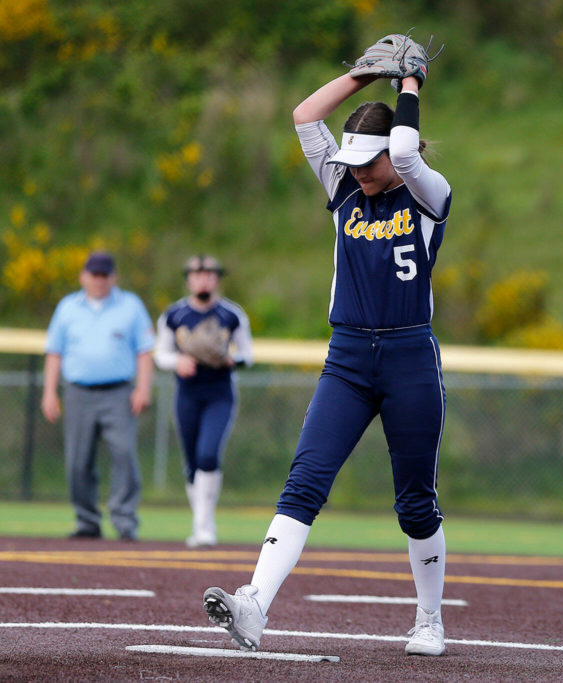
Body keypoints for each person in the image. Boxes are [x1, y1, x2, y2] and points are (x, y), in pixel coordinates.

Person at [202, 34, 452, 657]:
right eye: (354, 163)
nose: (361, 173)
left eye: (370, 163)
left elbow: (402, 149)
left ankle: (429, 619)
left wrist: (411, 84)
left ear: (399, 155)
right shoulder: (343, 188)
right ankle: (254, 606)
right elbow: (304, 116)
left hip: (408, 357)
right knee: (304, 481)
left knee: (414, 500)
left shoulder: (427, 194)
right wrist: (369, 74)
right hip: (347, 359)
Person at [40, 250, 155, 541]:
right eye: (95, 274)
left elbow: (144, 350)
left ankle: (125, 521)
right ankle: (87, 520)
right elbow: (55, 352)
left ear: (113, 277)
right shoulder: (68, 307)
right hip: (78, 392)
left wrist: (143, 388)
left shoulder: (130, 306)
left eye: (105, 275)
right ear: (83, 276)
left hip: (118, 393)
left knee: (124, 455)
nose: (99, 280)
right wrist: (50, 392)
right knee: (78, 461)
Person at [154, 255, 253, 548]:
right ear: (189, 279)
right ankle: (201, 524)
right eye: (198, 275)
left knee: (208, 455)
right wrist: (178, 360)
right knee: (192, 461)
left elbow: (248, 353)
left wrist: (231, 359)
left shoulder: (231, 314)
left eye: (209, 274)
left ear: (217, 279)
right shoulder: (174, 315)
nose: (204, 280)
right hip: (187, 392)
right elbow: (161, 354)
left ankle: (204, 525)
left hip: (219, 392)